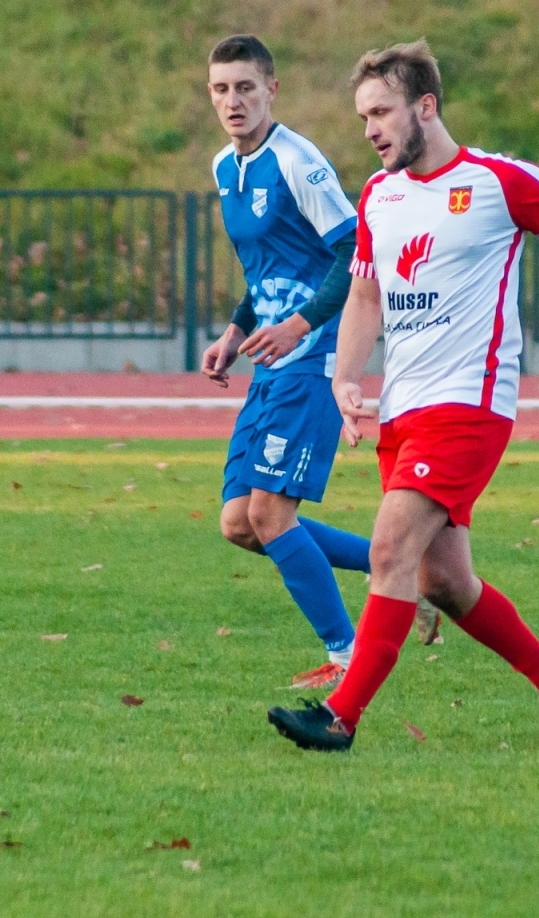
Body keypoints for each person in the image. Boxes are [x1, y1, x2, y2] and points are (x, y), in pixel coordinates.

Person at [267, 40, 539, 750]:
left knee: (388, 548)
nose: (370, 130)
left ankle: (341, 717)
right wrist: (343, 376)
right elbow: (365, 293)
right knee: (445, 581)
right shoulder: (378, 196)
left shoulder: (498, 181)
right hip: (404, 408)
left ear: (425, 106)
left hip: (469, 404)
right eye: (363, 116)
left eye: (382, 112)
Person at [201, 34, 380, 689]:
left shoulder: (298, 162)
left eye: (245, 87)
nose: (233, 101)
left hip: (313, 357)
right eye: (221, 89)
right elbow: (272, 267)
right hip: (271, 361)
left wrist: (300, 324)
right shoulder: (226, 167)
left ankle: (347, 656)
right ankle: (402, 568)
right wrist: (235, 329)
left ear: (271, 89)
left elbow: (352, 250)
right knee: (238, 522)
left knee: (270, 515)